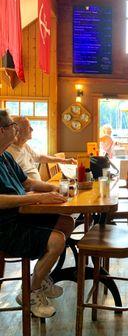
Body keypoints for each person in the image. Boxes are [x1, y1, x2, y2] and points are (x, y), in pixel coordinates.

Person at [0, 110, 74, 318]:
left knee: (66, 222)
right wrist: (34, 198)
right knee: (57, 240)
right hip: (5, 226)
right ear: (2, 131)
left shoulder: (5, 156)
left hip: (21, 215)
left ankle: (39, 278)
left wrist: (54, 189)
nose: (16, 129)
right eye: (13, 126)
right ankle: (30, 292)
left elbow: (28, 183)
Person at [7, 116, 76, 180]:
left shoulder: (25, 146)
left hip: (37, 186)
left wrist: (64, 160)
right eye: (28, 127)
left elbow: (40, 158)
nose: (32, 129)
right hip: (29, 191)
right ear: (18, 131)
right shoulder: (9, 152)